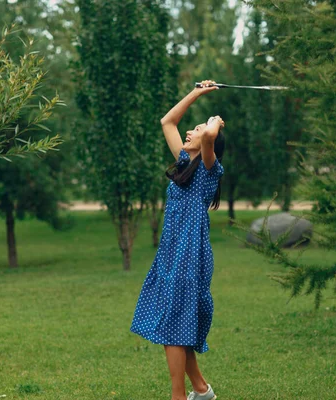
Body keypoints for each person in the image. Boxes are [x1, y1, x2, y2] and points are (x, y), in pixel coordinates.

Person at [130, 80, 225, 400]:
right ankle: (200, 389)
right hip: (172, 252)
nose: (189, 132)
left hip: (190, 255)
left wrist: (214, 122)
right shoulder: (186, 163)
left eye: (194, 130)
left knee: (174, 323)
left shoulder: (210, 170)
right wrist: (198, 92)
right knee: (177, 321)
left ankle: (178, 397)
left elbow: (211, 136)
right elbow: (167, 121)